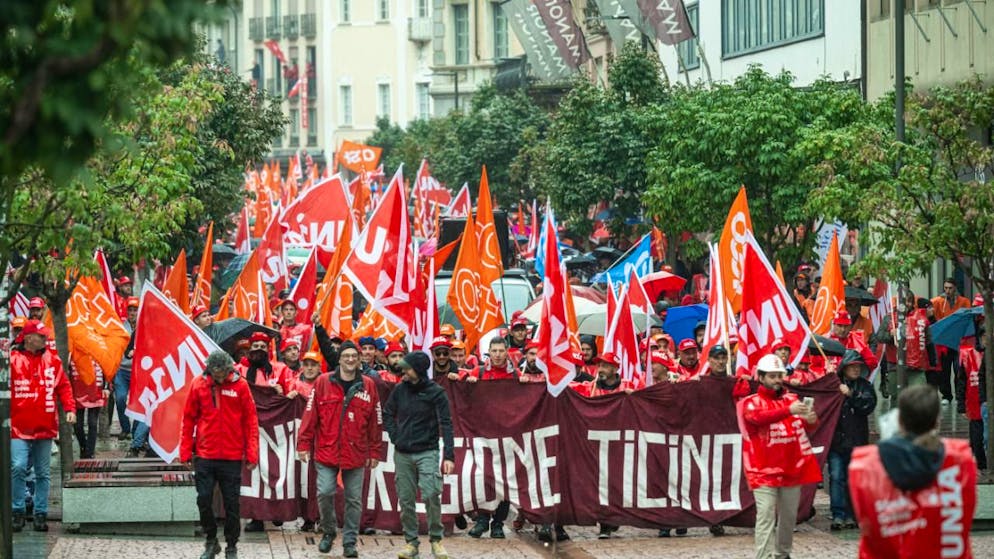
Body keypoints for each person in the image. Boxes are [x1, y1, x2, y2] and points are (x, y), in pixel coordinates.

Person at [848, 385, 977, 558]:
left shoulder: (865, 465)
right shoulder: (959, 461)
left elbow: (867, 522)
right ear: (937, 421)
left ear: (899, 420)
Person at [297, 340, 383, 557]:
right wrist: (303, 444)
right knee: (325, 492)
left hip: (355, 453)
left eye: (354, 356)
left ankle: (350, 542)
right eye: (346, 356)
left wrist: (375, 451)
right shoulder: (323, 382)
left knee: (354, 499)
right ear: (340, 359)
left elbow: (375, 421)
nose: (351, 359)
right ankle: (328, 532)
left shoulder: (369, 385)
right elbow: (310, 416)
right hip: (326, 450)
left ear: (359, 358)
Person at [737, 354, 820, 559]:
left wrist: (811, 419)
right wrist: (788, 410)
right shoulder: (751, 402)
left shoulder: (792, 399)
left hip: (791, 468)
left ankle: (782, 554)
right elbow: (757, 418)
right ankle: (764, 556)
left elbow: (806, 427)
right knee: (765, 515)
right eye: (772, 376)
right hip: (762, 470)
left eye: (779, 376)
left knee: (789, 517)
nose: (776, 380)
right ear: (762, 377)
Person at [180, 350, 259, 559]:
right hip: (205, 455)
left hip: (231, 457)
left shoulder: (241, 386)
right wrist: (185, 451)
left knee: (232, 504)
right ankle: (211, 540)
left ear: (228, 368)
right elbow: (188, 419)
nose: (220, 378)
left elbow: (250, 421)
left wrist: (252, 453)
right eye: (216, 374)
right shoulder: (198, 385)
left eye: (223, 373)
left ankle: (231, 545)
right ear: (210, 369)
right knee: (203, 499)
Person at [383, 351, 455, 559]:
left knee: (432, 493)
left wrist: (449, 456)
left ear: (418, 370)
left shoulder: (436, 392)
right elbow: (388, 414)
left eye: (407, 368)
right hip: (403, 453)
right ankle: (411, 543)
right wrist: (396, 436)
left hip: (428, 452)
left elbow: (447, 424)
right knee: (406, 500)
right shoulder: (399, 390)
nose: (403, 371)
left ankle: (436, 539)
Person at [11, 320, 76, 532]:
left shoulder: (52, 360)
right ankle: (17, 510)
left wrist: (70, 409)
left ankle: (40, 513)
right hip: (18, 427)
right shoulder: (12, 360)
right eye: (41, 335)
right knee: (18, 466)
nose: (45, 338)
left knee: (42, 472)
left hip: (45, 426)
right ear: (28, 338)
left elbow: (64, 386)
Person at [828, 350, 877, 530]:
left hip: (856, 442)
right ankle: (838, 514)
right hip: (836, 441)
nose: (856, 370)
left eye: (858, 367)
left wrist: (851, 395)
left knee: (853, 478)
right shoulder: (834, 384)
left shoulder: (865, 386)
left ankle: (852, 514)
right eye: (852, 367)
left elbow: (868, 404)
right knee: (837, 476)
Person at [930, 278, 971, 404]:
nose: (947, 290)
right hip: (944, 342)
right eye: (946, 288)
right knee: (944, 370)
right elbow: (931, 314)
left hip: (959, 341)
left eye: (950, 288)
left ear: (955, 288)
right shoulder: (938, 301)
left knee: (959, 370)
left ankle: (960, 396)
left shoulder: (964, 301)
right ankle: (946, 395)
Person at [69, 360, 110, 459]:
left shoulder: (97, 348)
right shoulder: (73, 350)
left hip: (95, 389)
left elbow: (106, 367)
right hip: (77, 390)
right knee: (78, 424)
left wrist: (106, 387)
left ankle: (90, 452)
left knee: (92, 423)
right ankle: (83, 446)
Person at [959, 336, 987, 470]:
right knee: (977, 439)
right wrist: (961, 406)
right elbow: (961, 382)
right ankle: (982, 465)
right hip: (974, 405)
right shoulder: (967, 356)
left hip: (984, 404)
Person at [236, 332, 292, 397]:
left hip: (271, 405)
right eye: (255, 346)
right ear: (250, 349)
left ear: (268, 349)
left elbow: (290, 391)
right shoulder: (238, 369)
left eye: (263, 347)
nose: (259, 349)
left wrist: (282, 393)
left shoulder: (281, 369)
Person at [114, 296, 139, 441]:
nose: (132, 313)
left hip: (138, 372)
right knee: (120, 398)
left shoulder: (145, 326)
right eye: (130, 309)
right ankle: (125, 428)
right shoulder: (121, 327)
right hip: (122, 370)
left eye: (135, 310)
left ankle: (136, 430)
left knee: (137, 402)